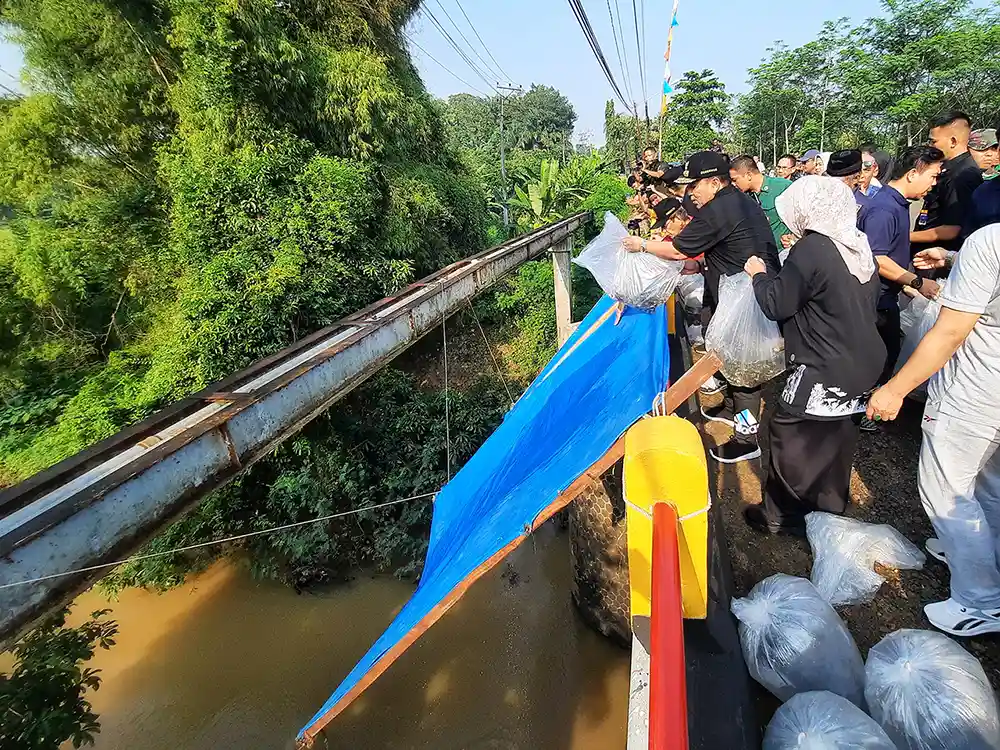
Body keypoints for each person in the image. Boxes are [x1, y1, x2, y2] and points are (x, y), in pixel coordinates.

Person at [867, 224, 1000, 636]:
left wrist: (895, 389)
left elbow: (951, 331)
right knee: (989, 485)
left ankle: (981, 601)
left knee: (947, 491)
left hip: (975, 393)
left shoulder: (991, 240)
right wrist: (957, 260)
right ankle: (983, 557)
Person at [742, 177, 885, 535]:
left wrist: (758, 275)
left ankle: (782, 516)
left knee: (788, 433)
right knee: (836, 440)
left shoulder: (814, 249)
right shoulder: (855, 244)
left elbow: (776, 303)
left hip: (823, 366)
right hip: (863, 363)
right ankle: (829, 511)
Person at [622, 151, 781, 463]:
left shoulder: (720, 209)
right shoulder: (738, 199)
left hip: (747, 298)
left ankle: (746, 438)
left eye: (695, 184)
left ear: (713, 181)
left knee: (745, 371)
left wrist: (639, 244)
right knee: (728, 356)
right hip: (743, 290)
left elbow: (679, 250)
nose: (692, 191)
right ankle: (734, 409)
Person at [859, 146, 945, 431]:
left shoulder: (894, 204)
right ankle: (864, 410)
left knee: (887, 353)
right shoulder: (884, 209)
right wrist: (918, 282)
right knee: (880, 355)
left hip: (886, 295)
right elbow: (877, 258)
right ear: (912, 173)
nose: (934, 183)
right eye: (932, 176)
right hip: (876, 298)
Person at [912, 111, 983, 256]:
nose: (930, 146)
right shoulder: (948, 168)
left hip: (938, 257)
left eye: (934, 142)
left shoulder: (963, 175)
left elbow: (952, 229)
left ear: (953, 141)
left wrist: (905, 237)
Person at [729, 155, 793, 247]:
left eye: (735, 180)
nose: (733, 184)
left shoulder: (783, 187)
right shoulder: (742, 197)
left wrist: (794, 237)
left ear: (749, 175)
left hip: (783, 252)